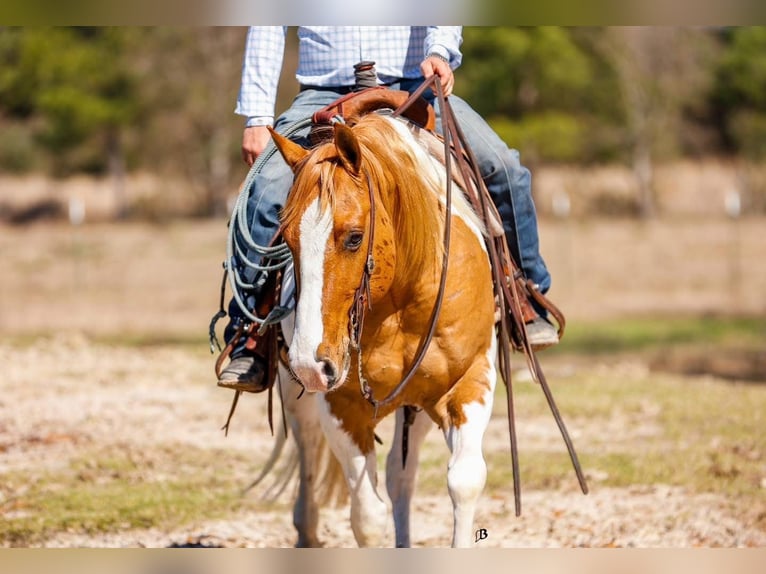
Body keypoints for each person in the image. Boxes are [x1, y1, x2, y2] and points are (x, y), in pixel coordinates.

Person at [218, 26, 558, 393]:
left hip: (412, 87)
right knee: (265, 192)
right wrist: (256, 117)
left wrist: (440, 52)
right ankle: (250, 331)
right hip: (322, 96)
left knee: (503, 169)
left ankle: (525, 291)